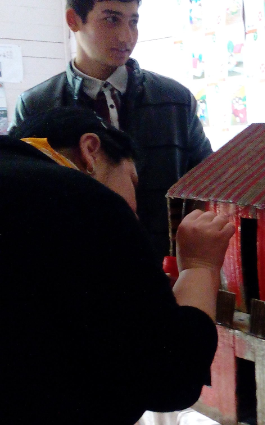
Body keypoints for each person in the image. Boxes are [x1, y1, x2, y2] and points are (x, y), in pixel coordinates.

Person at [1, 107, 234, 425]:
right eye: (132, 180)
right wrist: (199, 266)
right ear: (90, 151)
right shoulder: (83, 201)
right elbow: (170, 377)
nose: (134, 210)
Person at [11, 0, 212, 264]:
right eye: (111, 19)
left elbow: (205, 183)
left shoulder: (175, 99)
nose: (126, 36)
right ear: (73, 20)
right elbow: (23, 198)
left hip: (167, 266)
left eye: (133, 22)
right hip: (76, 269)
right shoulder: (37, 105)